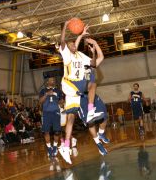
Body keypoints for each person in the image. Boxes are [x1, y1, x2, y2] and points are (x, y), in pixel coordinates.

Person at [59, 21, 106, 164]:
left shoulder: (80, 56)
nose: (74, 45)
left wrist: (92, 51)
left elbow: (94, 64)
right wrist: (66, 26)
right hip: (69, 85)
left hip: (75, 92)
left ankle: (65, 147)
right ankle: (90, 111)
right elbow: (62, 41)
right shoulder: (67, 54)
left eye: (75, 44)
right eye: (71, 44)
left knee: (71, 118)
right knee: (92, 83)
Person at [39, 77, 64, 158]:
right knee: (46, 132)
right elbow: (40, 101)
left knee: (57, 131)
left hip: (56, 112)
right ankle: (49, 148)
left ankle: (55, 146)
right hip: (46, 113)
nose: (53, 81)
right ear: (47, 82)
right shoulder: (43, 91)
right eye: (51, 80)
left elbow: (62, 101)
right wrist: (46, 94)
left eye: (54, 80)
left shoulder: (58, 91)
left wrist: (61, 102)